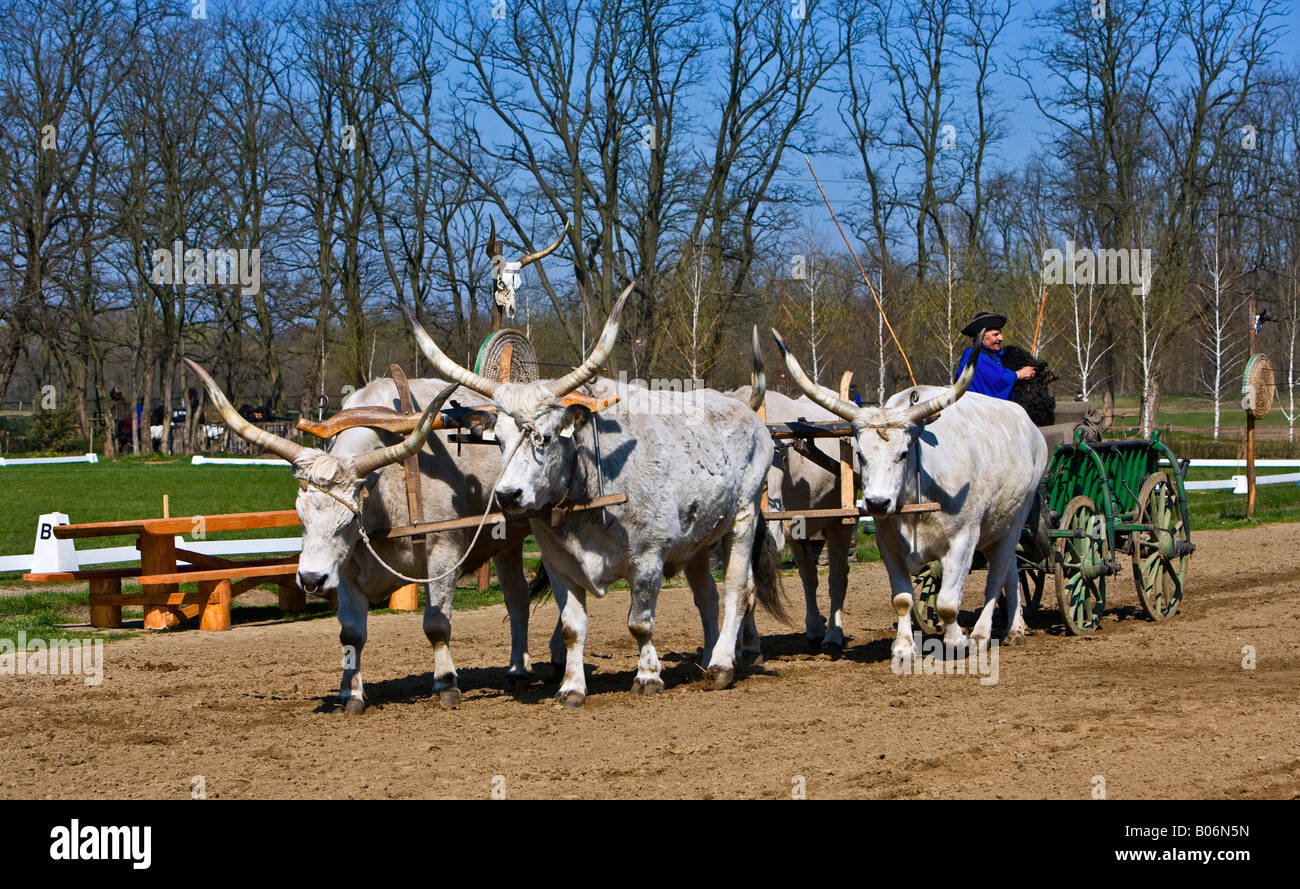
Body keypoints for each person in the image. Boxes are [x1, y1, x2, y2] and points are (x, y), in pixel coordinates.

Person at [957, 311, 1035, 399]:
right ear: (981, 338)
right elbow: (996, 381)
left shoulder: (994, 356)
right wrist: (1018, 374)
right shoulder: (974, 355)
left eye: (1000, 333)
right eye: (995, 334)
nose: (1001, 338)